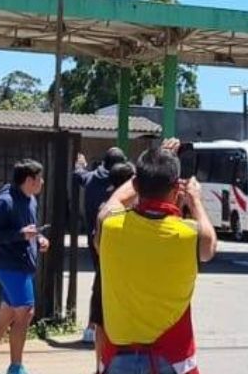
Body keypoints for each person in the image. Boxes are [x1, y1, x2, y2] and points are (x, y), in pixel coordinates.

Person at [97, 139, 216, 374]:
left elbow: (115, 202)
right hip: (171, 358)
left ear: (137, 185)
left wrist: (146, 172)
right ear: (176, 190)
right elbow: (209, 244)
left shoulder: (109, 226)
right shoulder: (190, 235)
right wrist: (195, 201)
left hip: (118, 356)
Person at [0, 160, 48, 374]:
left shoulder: (31, 199)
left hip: (21, 265)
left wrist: (39, 238)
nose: (42, 182)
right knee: (26, 312)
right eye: (40, 178)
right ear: (30, 180)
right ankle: (16, 367)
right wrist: (20, 235)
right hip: (11, 267)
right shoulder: (5, 202)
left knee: (7, 315)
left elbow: (29, 229)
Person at [74, 148, 128, 345]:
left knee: (100, 282)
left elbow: (79, 175)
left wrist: (80, 164)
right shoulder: (125, 183)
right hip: (121, 244)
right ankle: (113, 327)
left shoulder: (90, 178)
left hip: (96, 241)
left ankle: (92, 326)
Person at [87, 161, 135, 374]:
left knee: (101, 324)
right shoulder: (130, 210)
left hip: (103, 275)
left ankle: (100, 367)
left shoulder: (104, 207)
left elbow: (97, 245)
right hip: (123, 278)